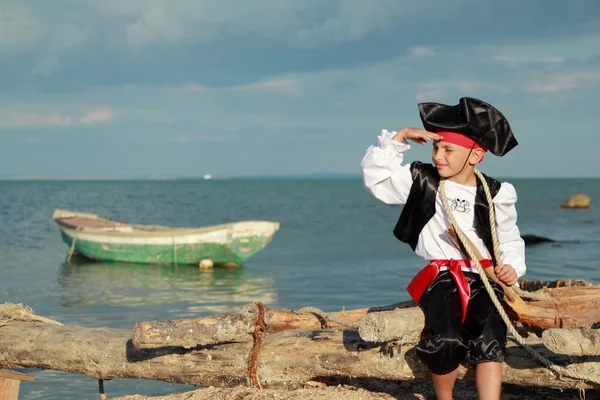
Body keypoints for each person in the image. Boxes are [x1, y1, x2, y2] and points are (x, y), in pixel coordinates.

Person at [360, 97, 526, 400]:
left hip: (486, 278)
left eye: (448, 149)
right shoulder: (421, 180)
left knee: (490, 336)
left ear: (475, 156)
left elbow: (509, 236)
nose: (438, 156)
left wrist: (513, 266)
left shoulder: (496, 192)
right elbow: (377, 179)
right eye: (436, 148)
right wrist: (398, 140)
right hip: (442, 278)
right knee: (445, 337)